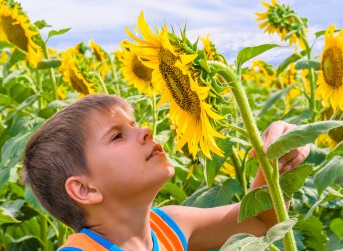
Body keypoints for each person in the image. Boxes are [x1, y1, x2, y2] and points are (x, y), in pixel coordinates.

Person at [23, 94, 310, 251]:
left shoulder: (168, 225)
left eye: (135, 124)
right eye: (117, 136)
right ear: (85, 189)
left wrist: (276, 162)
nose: (145, 131)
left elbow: (261, 222)